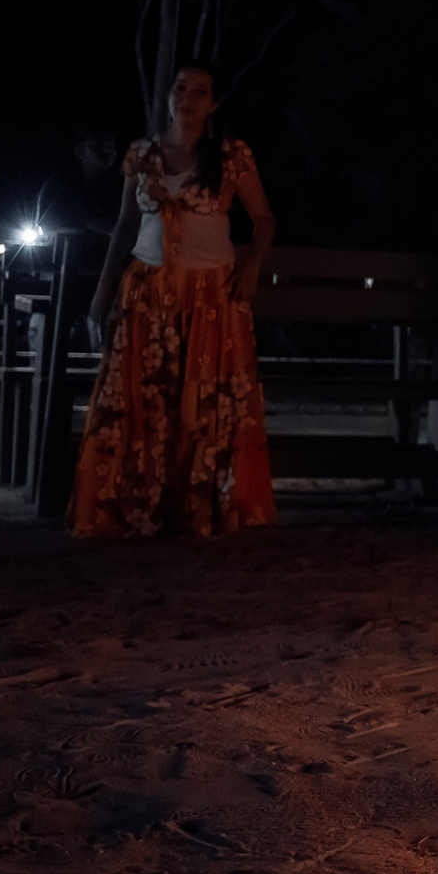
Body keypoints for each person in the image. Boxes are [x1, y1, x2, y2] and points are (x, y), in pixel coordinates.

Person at [71, 62, 279, 539]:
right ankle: (139, 506)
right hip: (148, 290)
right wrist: (102, 292)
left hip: (211, 295)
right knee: (145, 399)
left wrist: (250, 269)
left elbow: (264, 219)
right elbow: (125, 226)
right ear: (168, 96)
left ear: (214, 103)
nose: (189, 98)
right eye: (181, 88)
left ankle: (200, 505)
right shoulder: (141, 155)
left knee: (204, 402)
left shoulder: (230, 155)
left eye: (200, 91)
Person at [36, 125, 123, 349]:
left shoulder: (121, 188)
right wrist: (96, 225)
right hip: (60, 280)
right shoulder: (59, 185)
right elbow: (49, 226)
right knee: (48, 335)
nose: (107, 151)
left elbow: (122, 227)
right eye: (98, 146)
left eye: (111, 147)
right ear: (80, 150)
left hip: (106, 281)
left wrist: (83, 222)